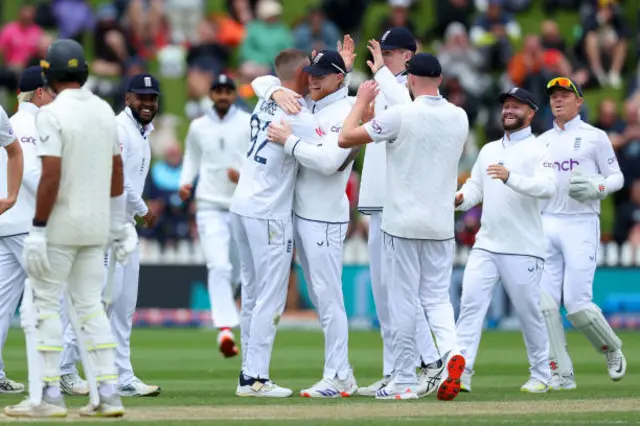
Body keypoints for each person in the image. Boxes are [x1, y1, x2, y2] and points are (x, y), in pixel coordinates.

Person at [4, 38, 137, 418]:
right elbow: (116, 171)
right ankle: (108, 394)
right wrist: (118, 224)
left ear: (50, 76)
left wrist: (41, 229)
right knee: (89, 309)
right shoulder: (103, 111)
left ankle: (47, 398)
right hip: (96, 227)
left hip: (62, 225)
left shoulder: (50, 114)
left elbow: (50, 177)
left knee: (39, 308)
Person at [338, 53, 468, 401]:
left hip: (402, 223)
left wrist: (362, 102)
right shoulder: (460, 117)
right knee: (437, 298)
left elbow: (346, 138)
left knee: (402, 302)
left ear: (410, 79)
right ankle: (453, 354)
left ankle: (405, 380)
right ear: (439, 79)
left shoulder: (400, 115)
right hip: (441, 224)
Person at [262, 48, 359, 398]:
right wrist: (274, 91)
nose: (313, 79)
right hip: (304, 214)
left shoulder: (346, 111)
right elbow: (260, 80)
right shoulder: (311, 104)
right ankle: (343, 373)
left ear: (339, 78)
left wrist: (288, 141)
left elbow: (329, 161)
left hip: (326, 217)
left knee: (328, 297)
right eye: (311, 73)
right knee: (321, 298)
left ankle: (337, 376)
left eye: (322, 74)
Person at [60, 73, 162, 398]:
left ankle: (121, 375)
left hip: (124, 226)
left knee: (123, 306)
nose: (147, 104)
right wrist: (143, 208)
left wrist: (136, 214)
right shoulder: (118, 128)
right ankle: (63, 370)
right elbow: (113, 173)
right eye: (141, 97)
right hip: (104, 226)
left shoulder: (143, 132)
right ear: (128, 98)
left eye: (152, 98)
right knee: (98, 302)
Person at [356, 27, 444, 397]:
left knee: (403, 292)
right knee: (385, 296)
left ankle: (431, 364)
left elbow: (405, 109)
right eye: (383, 52)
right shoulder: (382, 85)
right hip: (378, 197)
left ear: (409, 55)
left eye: (391, 52)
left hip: (402, 203)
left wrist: (380, 74)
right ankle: (395, 369)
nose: (385, 57)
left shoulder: (418, 93)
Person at [229, 48, 320, 398]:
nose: (313, 78)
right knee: (270, 295)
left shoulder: (266, 99)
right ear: (298, 73)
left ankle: (248, 374)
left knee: (252, 293)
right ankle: (255, 377)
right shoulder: (295, 110)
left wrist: (274, 88)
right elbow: (330, 151)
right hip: (268, 211)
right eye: (309, 71)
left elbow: (262, 80)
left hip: (242, 204)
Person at [454, 87, 556, 394]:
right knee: (470, 305)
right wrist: (458, 200)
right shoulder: (488, 150)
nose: (509, 110)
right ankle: (461, 372)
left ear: (531, 113)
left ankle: (542, 374)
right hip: (487, 243)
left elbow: (547, 188)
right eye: (506, 106)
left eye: (516, 106)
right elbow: (475, 188)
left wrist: (510, 177)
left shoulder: (541, 150)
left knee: (528, 312)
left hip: (524, 246)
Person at [538, 77, 626, 390]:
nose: (558, 100)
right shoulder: (542, 141)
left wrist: (597, 186)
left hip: (581, 223)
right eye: (553, 97)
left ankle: (611, 348)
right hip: (548, 222)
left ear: (579, 101)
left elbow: (617, 177)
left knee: (576, 304)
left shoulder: (595, 138)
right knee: (545, 304)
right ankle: (562, 373)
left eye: (564, 95)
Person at [179, 74, 250, 358]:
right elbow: (191, 158)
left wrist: (242, 176)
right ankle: (225, 329)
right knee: (218, 266)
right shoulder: (198, 126)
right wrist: (185, 182)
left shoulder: (246, 122)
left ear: (233, 95)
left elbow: (256, 160)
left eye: (227, 91)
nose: (223, 95)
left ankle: (226, 315)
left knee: (235, 270)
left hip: (239, 204)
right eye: (218, 91)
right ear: (210, 95)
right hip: (208, 204)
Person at [0, 67, 42, 395]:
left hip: (9, 222)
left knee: (3, 304)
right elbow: (28, 171)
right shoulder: (28, 123)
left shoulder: (14, 120)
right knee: (59, 293)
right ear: (39, 92)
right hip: (23, 224)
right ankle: (59, 373)